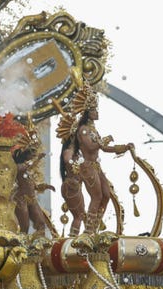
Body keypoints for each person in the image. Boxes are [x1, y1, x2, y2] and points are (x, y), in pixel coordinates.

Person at [55, 84, 134, 234]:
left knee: (106, 195)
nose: (96, 113)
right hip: (87, 166)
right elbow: (91, 147)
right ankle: (88, 232)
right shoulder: (83, 130)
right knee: (96, 196)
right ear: (87, 112)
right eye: (93, 110)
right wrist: (104, 140)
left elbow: (103, 148)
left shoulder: (92, 130)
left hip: (96, 166)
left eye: (96, 109)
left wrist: (123, 147)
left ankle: (94, 226)